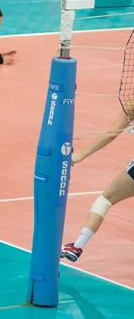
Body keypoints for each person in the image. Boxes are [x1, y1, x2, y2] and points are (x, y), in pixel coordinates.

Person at [61, 108, 133, 263]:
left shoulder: (132, 103)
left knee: (105, 200)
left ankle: (77, 246)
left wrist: (82, 155)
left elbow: (112, 133)